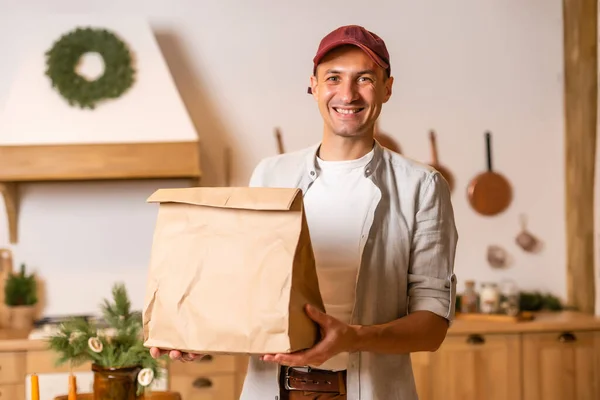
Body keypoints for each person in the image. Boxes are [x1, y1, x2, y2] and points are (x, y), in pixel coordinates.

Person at [150, 24, 458, 400]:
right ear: (313, 85)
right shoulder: (270, 174)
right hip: (273, 389)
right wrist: (198, 333)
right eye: (333, 78)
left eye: (364, 78)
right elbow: (245, 292)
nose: (347, 94)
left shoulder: (422, 186)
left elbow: (432, 327)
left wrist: (355, 337)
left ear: (387, 88)